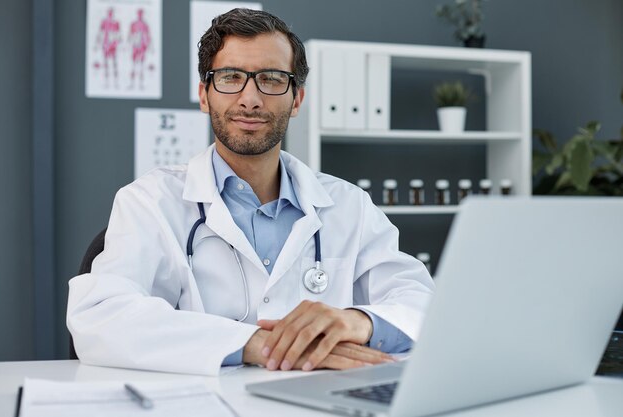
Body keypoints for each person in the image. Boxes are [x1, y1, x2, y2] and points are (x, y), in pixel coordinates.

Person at [67, 8, 435, 376]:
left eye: (272, 79)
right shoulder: (149, 201)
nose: (250, 98)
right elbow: (102, 315)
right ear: (204, 95)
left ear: (296, 100)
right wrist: (255, 344)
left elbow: (424, 302)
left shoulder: (348, 205)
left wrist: (359, 322)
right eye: (230, 77)